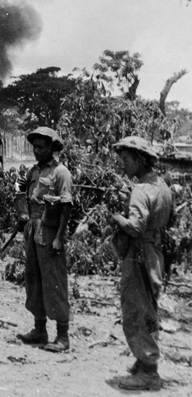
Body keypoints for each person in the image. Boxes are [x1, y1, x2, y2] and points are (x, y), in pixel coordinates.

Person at [110, 136, 173, 391]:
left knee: (137, 311)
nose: (123, 165)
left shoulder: (140, 190)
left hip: (138, 256)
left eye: (126, 160)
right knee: (150, 312)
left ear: (139, 159)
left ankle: (148, 370)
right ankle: (146, 360)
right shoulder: (162, 186)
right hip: (155, 254)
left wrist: (116, 217)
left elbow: (135, 227)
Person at [16, 127, 73, 352]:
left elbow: (66, 207)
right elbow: (28, 200)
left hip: (50, 233)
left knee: (55, 282)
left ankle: (63, 336)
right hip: (33, 231)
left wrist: (59, 238)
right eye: (35, 147)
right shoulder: (33, 172)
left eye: (41, 147)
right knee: (34, 281)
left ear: (52, 148)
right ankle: (39, 330)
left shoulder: (61, 173)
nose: (37, 151)